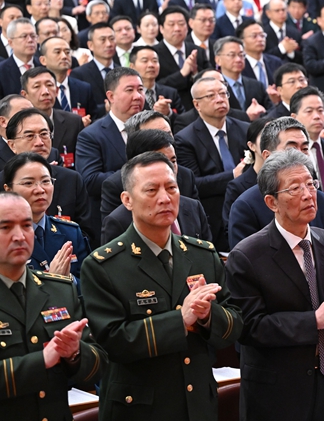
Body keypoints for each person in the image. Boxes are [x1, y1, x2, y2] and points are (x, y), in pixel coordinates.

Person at [81, 152, 243, 421]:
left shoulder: (202, 253)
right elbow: (111, 343)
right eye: (151, 190)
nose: (165, 198)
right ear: (127, 200)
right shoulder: (103, 265)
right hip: (140, 409)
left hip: (197, 405)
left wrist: (206, 317)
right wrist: (180, 320)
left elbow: (234, 324)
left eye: (171, 188)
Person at [226, 150, 324, 421]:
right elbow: (249, 327)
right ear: (271, 202)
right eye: (295, 188)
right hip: (278, 393)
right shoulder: (247, 255)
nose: (308, 195)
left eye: (311, 184)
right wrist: (314, 320)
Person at [0, 191, 107, 420]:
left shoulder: (59, 289)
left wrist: (75, 354)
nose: (19, 236)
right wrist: (40, 362)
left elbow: (99, 366)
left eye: (26, 226)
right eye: (6, 227)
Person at [228, 116, 324, 248]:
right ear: (267, 156)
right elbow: (245, 256)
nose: (300, 156)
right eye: (291, 149)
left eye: (305, 149)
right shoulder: (246, 207)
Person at [174, 76, 250, 250]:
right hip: (212, 215)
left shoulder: (244, 128)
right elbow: (194, 184)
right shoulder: (185, 139)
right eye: (211, 96)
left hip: (244, 208)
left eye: (223, 93)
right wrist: (232, 175)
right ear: (197, 104)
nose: (220, 99)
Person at [74, 67, 146, 245]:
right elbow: (90, 180)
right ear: (111, 96)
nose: (137, 96)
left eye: (140, 89)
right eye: (129, 90)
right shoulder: (91, 135)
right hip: (115, 222)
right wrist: (140, 174)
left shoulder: (153, 126)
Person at [101, 128, 210, 244]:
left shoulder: (193, 207)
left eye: (173, 161)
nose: (169, 168)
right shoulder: (118, 221)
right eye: (152, 190)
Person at [4, 152, 91, 280]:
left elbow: (88, 284)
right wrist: (54, 280)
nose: (40, 190)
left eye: (45, 181)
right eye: (28, 183)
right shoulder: (4, 237)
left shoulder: (70, 232)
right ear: (9, 189)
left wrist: (68, 279)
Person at [5, 107, 91, 228]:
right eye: (30, 136)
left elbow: (86, 232)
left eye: (44, 134)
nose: (39, 142)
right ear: (12, 145)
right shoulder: (3, 181)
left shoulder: (71, 180)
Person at [154, 6, 212, 111]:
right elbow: (153, 86)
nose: (177, 28)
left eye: (181, 24)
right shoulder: (154, 53)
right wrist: (182, 74)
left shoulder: (197, 50)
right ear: (161, 28)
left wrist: (195, 72)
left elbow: (211, 79)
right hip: (170, 109)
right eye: (171, 24)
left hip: (200, 109)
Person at [19, 66, 84, 157]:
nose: (45, 92)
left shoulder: (74, 122)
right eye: (37, 86)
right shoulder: (18, 125)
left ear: (57, 91)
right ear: (25, 95)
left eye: (49, 85)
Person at [290, 86, 324, 188]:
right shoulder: (291, 152)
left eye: (320, 110)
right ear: (294, 118)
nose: (317, 116)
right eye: (309, 111)